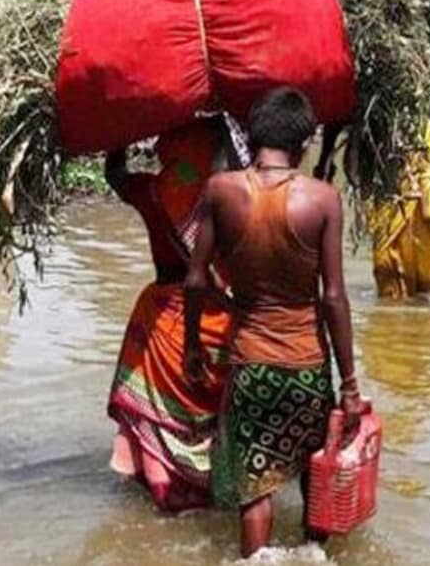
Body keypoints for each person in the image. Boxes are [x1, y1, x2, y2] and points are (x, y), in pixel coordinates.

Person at [183, 87, 364, 558]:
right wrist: (348, 384)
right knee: (316, 477)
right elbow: (334, 298)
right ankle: (312, 554)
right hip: (307, 367)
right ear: (304, 143)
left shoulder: (222, 191)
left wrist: (192, 346)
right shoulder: (323, 199)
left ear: (250, 135)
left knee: (255, 490)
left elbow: (196, 279)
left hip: (251, 366)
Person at [104, 119, 240, 513]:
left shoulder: (151, 191)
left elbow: (114, 175)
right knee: (215, 417)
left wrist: (118, 131)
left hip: (164, 318)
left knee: (155, 417)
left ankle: (162, 485)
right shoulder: (235, 198)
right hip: (219, 320)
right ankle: (212, 486)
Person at [369, 117, 430, 298]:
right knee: (385, 263)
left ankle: (419, 317)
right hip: (389, 203)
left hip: (420, 204)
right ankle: (391, 314)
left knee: (426, 273)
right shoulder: (377, 129)